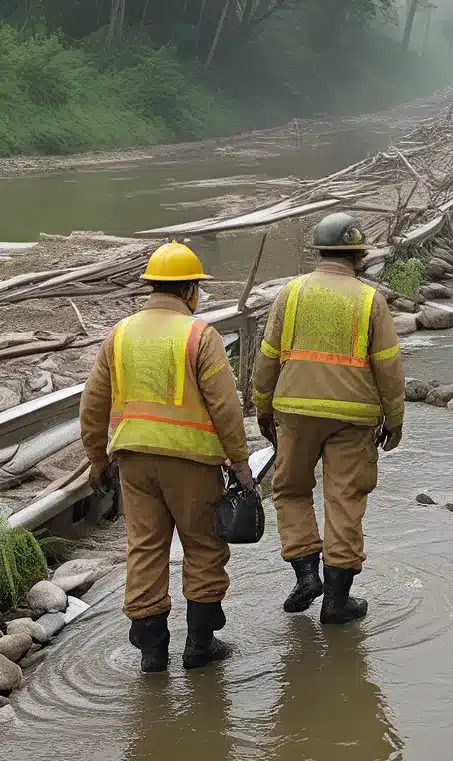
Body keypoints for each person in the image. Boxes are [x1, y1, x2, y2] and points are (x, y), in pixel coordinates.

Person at [79, 242, 253, 673]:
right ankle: (200, 646)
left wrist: (96, 459)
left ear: (152, 286)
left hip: (134, 463)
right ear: (191, 290)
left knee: (145, 549)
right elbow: (225, 408)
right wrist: (240, 463)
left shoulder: (119, 334)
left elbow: (92, 404)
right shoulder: (199, 335)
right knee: (203, 547)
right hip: (191, 463)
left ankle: (152, 654)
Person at [252, 212, 405, 625]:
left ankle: (306, 573)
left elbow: (267, 357)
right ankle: (337, 602)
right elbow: (388, 366)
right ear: (358, 255)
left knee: (291, 490)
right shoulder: (371, 300)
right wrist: (395, 419)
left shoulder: (291, 293)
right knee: (344, 500)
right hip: (354, 417)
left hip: (295, 411)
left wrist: (263, 408)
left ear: (319, 251)